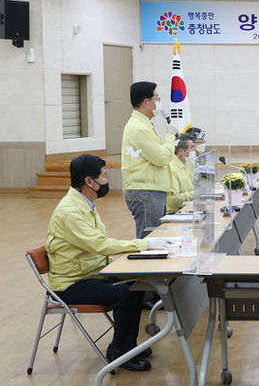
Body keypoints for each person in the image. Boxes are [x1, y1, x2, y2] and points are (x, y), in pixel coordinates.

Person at [46, 155, 174, 371]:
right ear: (89, 181)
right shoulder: (70, 211)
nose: (107, 180)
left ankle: (128, 345)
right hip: (71, 284)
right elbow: (98, 244)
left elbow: (97, 244)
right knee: (125, 294)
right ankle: (121, 352)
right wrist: (144, 244)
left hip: (92, 273)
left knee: (136, 285)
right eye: (104, 176)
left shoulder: (84, 203)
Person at [121, 81, 178, 239]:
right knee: (150, 240)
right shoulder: (138, 128)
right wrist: (170, 135)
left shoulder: (144, 124)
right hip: (145, 191)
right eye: (157, 98)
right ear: (147, 102)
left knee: (156, 238)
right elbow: (161, 157)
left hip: (151, 189)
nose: (159, 102)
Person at [166, 134, 195, 214]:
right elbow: (172, 200)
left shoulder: (184, 165)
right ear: (181, 151)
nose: (194, 151)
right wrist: (195, 194)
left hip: (186, 209)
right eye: (192, 147)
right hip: (174, 213)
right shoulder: (172, 168)